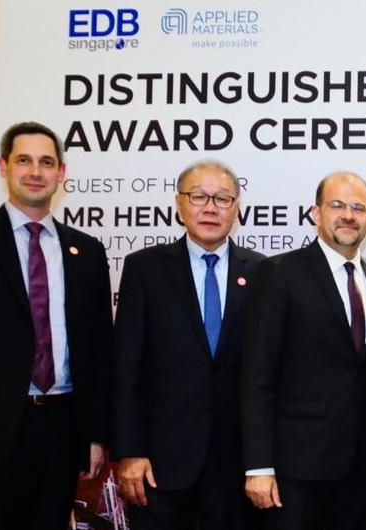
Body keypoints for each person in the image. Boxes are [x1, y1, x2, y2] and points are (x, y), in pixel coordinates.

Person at [0, 122, 113, 529]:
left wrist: (95, 435)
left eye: (46, 162)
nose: (35, 172)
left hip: (61, 431)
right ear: (4, 166)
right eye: (24, 160)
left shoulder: (87, 251)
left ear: (62, 172)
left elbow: (98, 350)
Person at [113, 160, 267, 530]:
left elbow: (269, 373)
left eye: (223, 198)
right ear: (179, 204)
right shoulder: (144, 269)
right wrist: (130, 451)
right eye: (199, 196)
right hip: (160, 463)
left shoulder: (263, 272)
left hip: (235, 464)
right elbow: (126, 366)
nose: (211, 207)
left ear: (237, 208)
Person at [240, 172, 366, 530]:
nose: (348, 215)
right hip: (296, 469)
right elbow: (257, 376)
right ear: (315, 212)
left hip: (362, 469)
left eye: (358, 207)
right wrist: (259, 466)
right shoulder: (279, 273)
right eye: (337, 205)